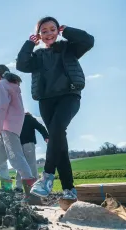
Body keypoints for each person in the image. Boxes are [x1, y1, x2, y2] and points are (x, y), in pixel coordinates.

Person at [16, 16, 94, 201]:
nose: (49, 33)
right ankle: (69, 189)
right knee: (59, 142)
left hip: (69, 96)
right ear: (39, 36)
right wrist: (29, 44)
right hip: (46, 101)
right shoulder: (37, 57)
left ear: (58, 30)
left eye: (52, 29)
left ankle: (47, 176)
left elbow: (88, 40)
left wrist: (67, 31)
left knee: (58, 129)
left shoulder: (69, 48)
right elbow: (21, 64)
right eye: (44, 31)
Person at [0, 64, 41, 205]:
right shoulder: (13, 86)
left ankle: (32, 195)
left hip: (7, 126)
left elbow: (0, 107)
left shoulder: (2, 85)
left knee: (15, 157)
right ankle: (7, 189)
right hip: (12, 125)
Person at [14, 112, 49, 193]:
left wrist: (46, 136)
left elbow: (40, 127)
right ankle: (19, 187)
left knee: (28, 165)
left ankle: (32, 186)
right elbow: (40, 127)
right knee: (22, 165)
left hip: (27, 144)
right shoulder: (19, 118)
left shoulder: (28, 118)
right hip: (19, 144)